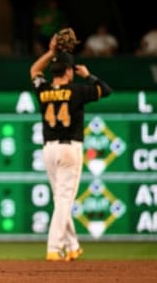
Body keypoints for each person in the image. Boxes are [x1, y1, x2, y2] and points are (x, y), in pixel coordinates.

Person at [29, 34, 112, 262]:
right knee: (64, 201)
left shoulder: (43, 89)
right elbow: (105, 90)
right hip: (69, 149)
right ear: (68, 72)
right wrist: (88, 75)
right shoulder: (77, 90)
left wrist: (50, 52)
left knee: (60, 199)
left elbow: (34, 70)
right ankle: (54, 248)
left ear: (54, 72)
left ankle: (72, 245)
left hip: (48, 150)